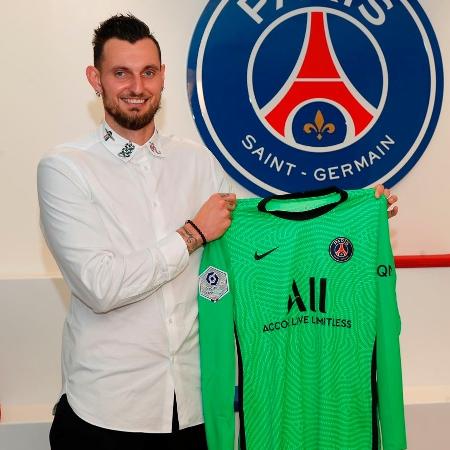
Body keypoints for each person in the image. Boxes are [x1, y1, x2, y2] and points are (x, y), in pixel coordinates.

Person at [37, 13, 398, 450]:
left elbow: (261, 234)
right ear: (95, 79)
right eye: (121, 74)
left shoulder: (198, 162)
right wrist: (191, 233)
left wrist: (355, 214)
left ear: (163, 76)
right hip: (107, 411)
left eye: (148, 72)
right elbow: (100, 286)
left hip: (196, 409)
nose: (137, 87)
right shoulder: (65, 168)